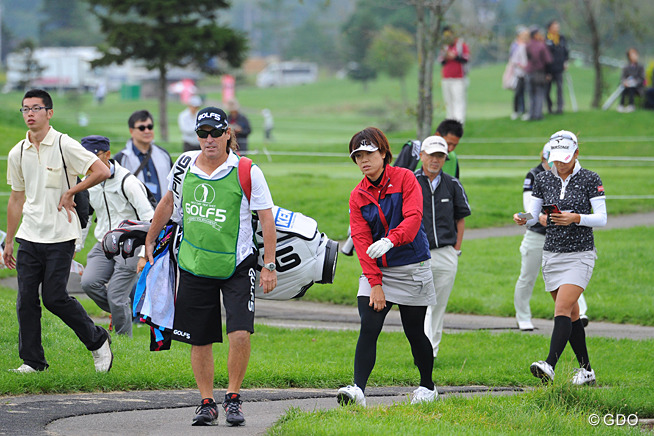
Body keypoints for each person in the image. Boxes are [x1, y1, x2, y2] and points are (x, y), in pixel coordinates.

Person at [142, 106, 277, 427]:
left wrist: (268, 264)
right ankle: (206, 402)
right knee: (199, 339)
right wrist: (149, 239)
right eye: (202, 133)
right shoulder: (184, 163)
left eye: (216, 132)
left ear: (228, 134)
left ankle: (232, 398)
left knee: (240, 334)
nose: (209, 139)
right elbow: (169, 202)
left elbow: (266, 218)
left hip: (237, 265)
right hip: (194, 264)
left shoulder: (247, 170)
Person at [3, 89, 113, 374]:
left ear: (49, 113)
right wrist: (9, 241)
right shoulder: (17, 152)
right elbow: (16, 199)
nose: (29, 113)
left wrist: (72, 192)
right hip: (29, 235)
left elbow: (102, 170)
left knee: (54, 298)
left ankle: (98, 340)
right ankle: (32, 362)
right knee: (26, 299)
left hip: (60, 235)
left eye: (36, 108)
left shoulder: (65, 145)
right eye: (25, 109)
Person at [337, 127, 438, 407]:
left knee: (414, 331)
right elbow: (360, 240)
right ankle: (358, 390)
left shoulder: (405, 178)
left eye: (369, 153)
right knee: (369, 326)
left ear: (383, 153)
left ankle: (428, 386)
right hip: (377, 271)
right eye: (358, 156)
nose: (363, 160)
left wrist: (391, 240)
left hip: (411, 266)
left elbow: (414, 218)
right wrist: (376, 283)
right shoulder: (357, 196)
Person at [513, 130, 606, 386]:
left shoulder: (590, 178)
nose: (560, 163)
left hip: (580, 254)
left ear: (576, 154)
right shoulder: (543, 179)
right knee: (572, 315)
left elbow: (602, 217)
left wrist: (576, 218)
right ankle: (586, 371)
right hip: (552, 253)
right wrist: (523, 217)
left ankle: (549, 365)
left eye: (565, 158)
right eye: (556, 159)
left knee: (562, 308)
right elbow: (533, 214)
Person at [79, 135, 155, 337]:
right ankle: (120, 310)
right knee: (89, 283)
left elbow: (151, 219)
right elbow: (85, 216)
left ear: (107, 155)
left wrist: (143, 254)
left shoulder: (128, 182)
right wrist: (75, 247)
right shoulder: (88, 181)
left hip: (132, 245)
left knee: (116, 294)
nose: (89, 164)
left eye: (93, 157)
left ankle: (124, 342)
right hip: (104, 242)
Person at [513, 143, 589, 332]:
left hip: (563, 236)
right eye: (551, 161)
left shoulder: (570, 175)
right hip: (537, 235)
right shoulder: (534, 175)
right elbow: (529, 208)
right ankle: (523, 317)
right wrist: (536, 217)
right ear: (544, 159)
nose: (555, 165)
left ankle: (581, 313)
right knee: (527, 276)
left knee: (571, 276)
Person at [415, 136, 471, 358]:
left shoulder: (452, 184)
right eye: (431, 155)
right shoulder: (409, 182)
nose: (435, 160)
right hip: (417, 254)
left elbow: (461, 218)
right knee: (418, 305)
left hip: (446, 253)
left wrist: (456, 249)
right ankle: (420, 348)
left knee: (438, 305)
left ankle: (431, 352)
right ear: (422, 156)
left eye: (440, 156)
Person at [114, 110, 173, 203]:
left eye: (150, 127)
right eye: (142, 128)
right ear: (131, 131)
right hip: (133, 215)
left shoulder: (164, 155)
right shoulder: (121, 158)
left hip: (162, 214)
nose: (147, 131)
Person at [437, 26, 470, 124]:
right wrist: (446, 56)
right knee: (449, 102)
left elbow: (465, 59)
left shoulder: (461, 45)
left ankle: (459, 123)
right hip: (446, 78)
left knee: (458, 101)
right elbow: (441, 62)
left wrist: (454, 56)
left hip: (458, 78)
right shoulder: (444, 47)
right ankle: (450, 123)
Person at [525, 26, 552, 121]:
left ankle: (531, 114)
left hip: (529, 72)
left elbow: (528, 57)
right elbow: (548, 60)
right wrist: (548, 73)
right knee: (539, 93)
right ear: (536, 35)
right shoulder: (541, 46)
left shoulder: (528, 45)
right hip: (539, 73)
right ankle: (538, 114)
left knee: (531, 94)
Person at [545, 20, 569, 115]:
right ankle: (549, 107)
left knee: (559, 89)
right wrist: (546, 71)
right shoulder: (546, 39)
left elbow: (566, 51)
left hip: (559, 68)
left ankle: (560, 107)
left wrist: (566, 61)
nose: (557, 28)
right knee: (547, 90)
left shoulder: (561, 38)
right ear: (549, 28)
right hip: (549, 69)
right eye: (555, 26)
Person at [509, 26, 529, 120]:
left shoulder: (528, 44)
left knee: (527, 93)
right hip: (519, 73)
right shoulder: (515, 45)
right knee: (518, 93)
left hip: (528, 73)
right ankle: (517, 111)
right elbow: (513, 59)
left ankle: (525, 110)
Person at [617, 48, 645, 113]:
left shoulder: (640, 67)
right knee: (624, 87)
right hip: (626, 86)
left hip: (637, 87)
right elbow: (622, 77)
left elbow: (642, 78)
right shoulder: (626, 67)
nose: (635, 56)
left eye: (635, 54)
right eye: (632, 55)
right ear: (629, 57)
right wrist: (625, 82)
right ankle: (621, 105)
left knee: (631, 87)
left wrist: (635, 82)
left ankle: (631, 105)